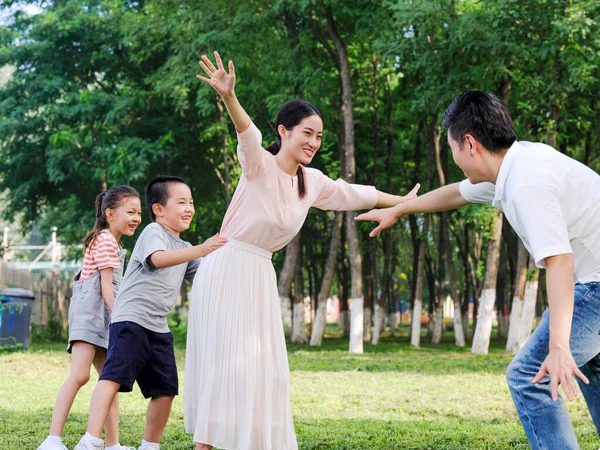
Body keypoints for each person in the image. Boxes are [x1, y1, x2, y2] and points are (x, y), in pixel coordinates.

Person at [184, 51, 419, 450]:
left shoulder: (312, 183)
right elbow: (247, 134)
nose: (314, 142)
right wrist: (228, 96)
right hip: (227, 265)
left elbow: (356, 193)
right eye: (306, 132)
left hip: (258, 273)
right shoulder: (259, 165)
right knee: (229, 369)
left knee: (267, 372)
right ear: (284, 132)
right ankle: (206, 444)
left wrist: (405, 203)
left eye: (319, 136)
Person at [356, 90, 600, 450]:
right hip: (592, 279)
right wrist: (400, 210)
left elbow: (559, 262)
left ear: (469, 143)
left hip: (594, 286)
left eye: (452, 148)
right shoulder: (518, 163)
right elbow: (456, 192)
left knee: (528, 377)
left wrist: (559, 346)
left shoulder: (524, 183)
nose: (453, 158)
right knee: (592, 370)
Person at [73, 176, 228, 450]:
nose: (189, 208)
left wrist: (232, 258)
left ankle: (150, 445)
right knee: (112, 377)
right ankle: (91, 439)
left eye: (191, 203)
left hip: (158, 328)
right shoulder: (154, 233)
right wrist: (202, 249)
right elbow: (158, 259)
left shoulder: (185, 249)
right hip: (130, 319)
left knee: (165, 390)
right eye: (181, 202)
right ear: (158, 209)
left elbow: (207, 276)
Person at [38, 186, 142, 450]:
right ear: (109, 213)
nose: (136, 218)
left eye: (138, 212)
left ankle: (113, 444)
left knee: (110, 379)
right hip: (91, 312)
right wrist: (123, 319)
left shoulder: (114, 243)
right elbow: (106, 287)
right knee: (80, 375)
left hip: (105, 314)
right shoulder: (105, 239)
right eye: (130, 211)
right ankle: (52, 440)